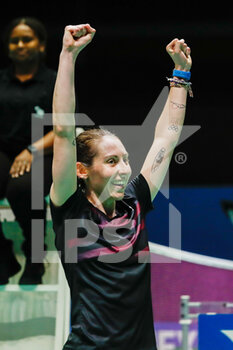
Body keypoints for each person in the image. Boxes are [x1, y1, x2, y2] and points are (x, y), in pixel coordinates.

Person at [50, 24, 192, 350]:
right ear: (82, 170)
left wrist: (180, 75)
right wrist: (68, 55)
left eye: (125, 159)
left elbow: (166, 139)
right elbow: (61, 130)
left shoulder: (135, 201)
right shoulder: (71, 208)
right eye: (112, 161)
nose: (124, 169)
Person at [0, 17, 57, 284]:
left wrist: (31, 150)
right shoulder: (1, 81)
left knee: (23, 189)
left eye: (27, 39)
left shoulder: (54, 82)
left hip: (43, 152)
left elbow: (63, 127)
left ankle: (35, 253)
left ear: (41, 46)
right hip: (4, 151)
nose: (20, 44)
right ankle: (2, 254)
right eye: (14, 40)